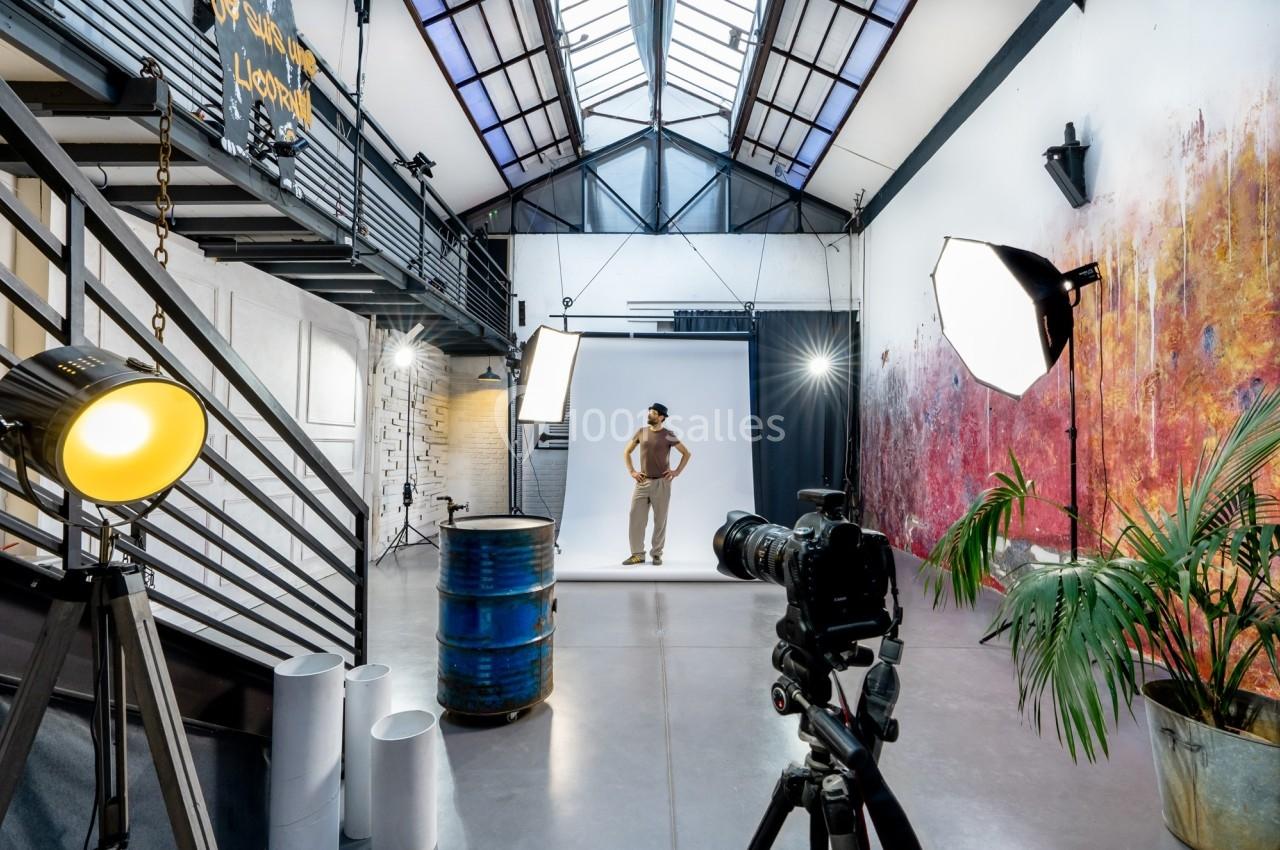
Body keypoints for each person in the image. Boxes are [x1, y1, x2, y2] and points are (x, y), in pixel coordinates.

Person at [622, 402, 691, 565]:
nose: (649, 415)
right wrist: (632, 471)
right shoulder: (642, 432)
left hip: (662, 483)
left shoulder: (668, 434)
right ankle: (638, 554)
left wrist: (676, 471)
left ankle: (657, 554)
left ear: (661, 417)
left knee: (660, 519)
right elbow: (627, 452)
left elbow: (686, 453)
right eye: (649, 412)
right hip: (642, 482)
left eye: (653, 413)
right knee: (635, 517)